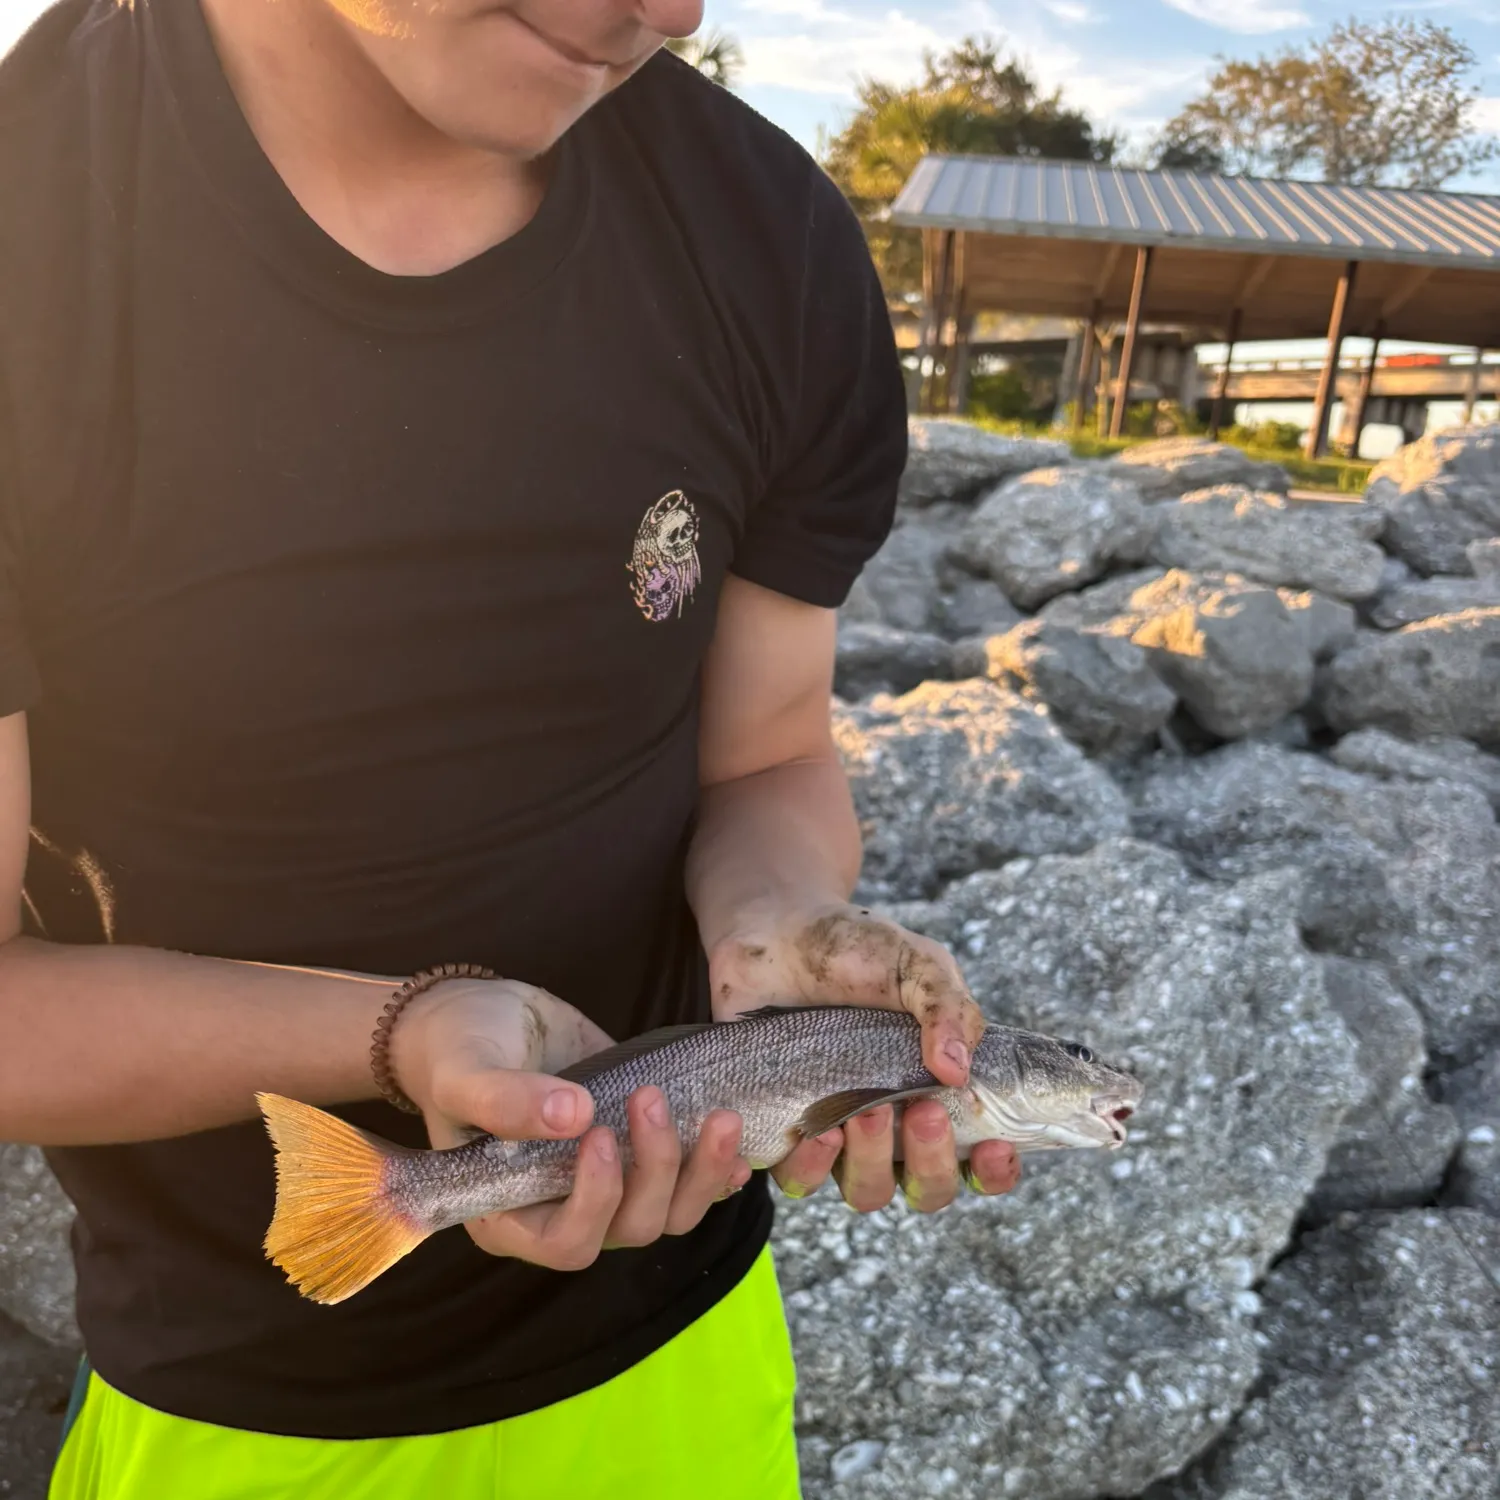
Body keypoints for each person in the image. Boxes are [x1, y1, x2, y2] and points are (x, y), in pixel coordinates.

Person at [0, 2, 1022, 1495]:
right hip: (248, 1412)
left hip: (692, 1350)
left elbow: (765, 759)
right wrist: (397, 1032)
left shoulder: (770, 245)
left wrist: (777, 925)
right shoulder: (37, 227)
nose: (669, 12)